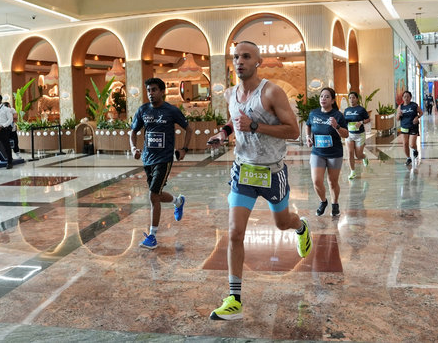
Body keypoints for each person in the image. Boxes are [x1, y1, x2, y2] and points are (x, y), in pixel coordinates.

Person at [206, 40, 313, 321]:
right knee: (234, 233)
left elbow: (292, 130)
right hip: (244, 170)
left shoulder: (272, 92)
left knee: (282, 224)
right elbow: (233, 121)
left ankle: (301, 227)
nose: (239, 61)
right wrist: (223, 133)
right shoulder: (231, 93)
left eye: (246, 56)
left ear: (258, 62)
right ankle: (234, 298)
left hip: (272, 172)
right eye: (235, 57)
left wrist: (254, 125)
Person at [130, 77, 192, 250]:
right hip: (147, 159)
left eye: (154, 90)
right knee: (156, 194)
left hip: (164, 159)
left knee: (152, 196)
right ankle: (178, 201)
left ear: (162, 91)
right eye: (149, 90)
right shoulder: (143, 110)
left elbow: (189, 129)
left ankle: (152, 236)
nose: (151, 93)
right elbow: (133, 132)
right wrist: (133, 148)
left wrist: (184, 149)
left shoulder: (171, 111)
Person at [305, 87, 348, 217]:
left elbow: (345, 135)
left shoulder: (338, 115)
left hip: (334, 153)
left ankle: (335, 204)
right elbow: (308, 125)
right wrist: (308, 137)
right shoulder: (314, 113)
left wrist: (337, 126)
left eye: (327, 96)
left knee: (332, 182)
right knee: (316, 181)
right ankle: (323, 201)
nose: (323, 99)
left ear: (333, 100)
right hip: (317, 152)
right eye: (321, 96)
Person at [343, 91, 370, 180]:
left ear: (357, 99)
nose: (351, 99)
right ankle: (352, 172)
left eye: (353, 97)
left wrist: (361, 122)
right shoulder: (346, 110)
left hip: (359, 135)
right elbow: (344, 122)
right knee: (350, 153)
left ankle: (364, 157)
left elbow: (368, 119)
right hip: (349, 135)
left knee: (358, 155)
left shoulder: (361, 109)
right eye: (350, 98)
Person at [396, 90, 423, 165]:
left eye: (408, 97)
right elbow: (397, 119)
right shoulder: (400, 107)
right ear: (402, 98)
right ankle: (408, 158)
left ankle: (415, 149)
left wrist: (417, 117)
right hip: (404, 126)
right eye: (404, 97)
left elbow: (421, 112)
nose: (406, 98)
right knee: (405, 144)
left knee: (411, 144)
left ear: (410, 97)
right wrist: (399, 114)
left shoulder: (414, 105)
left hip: (413, 126)